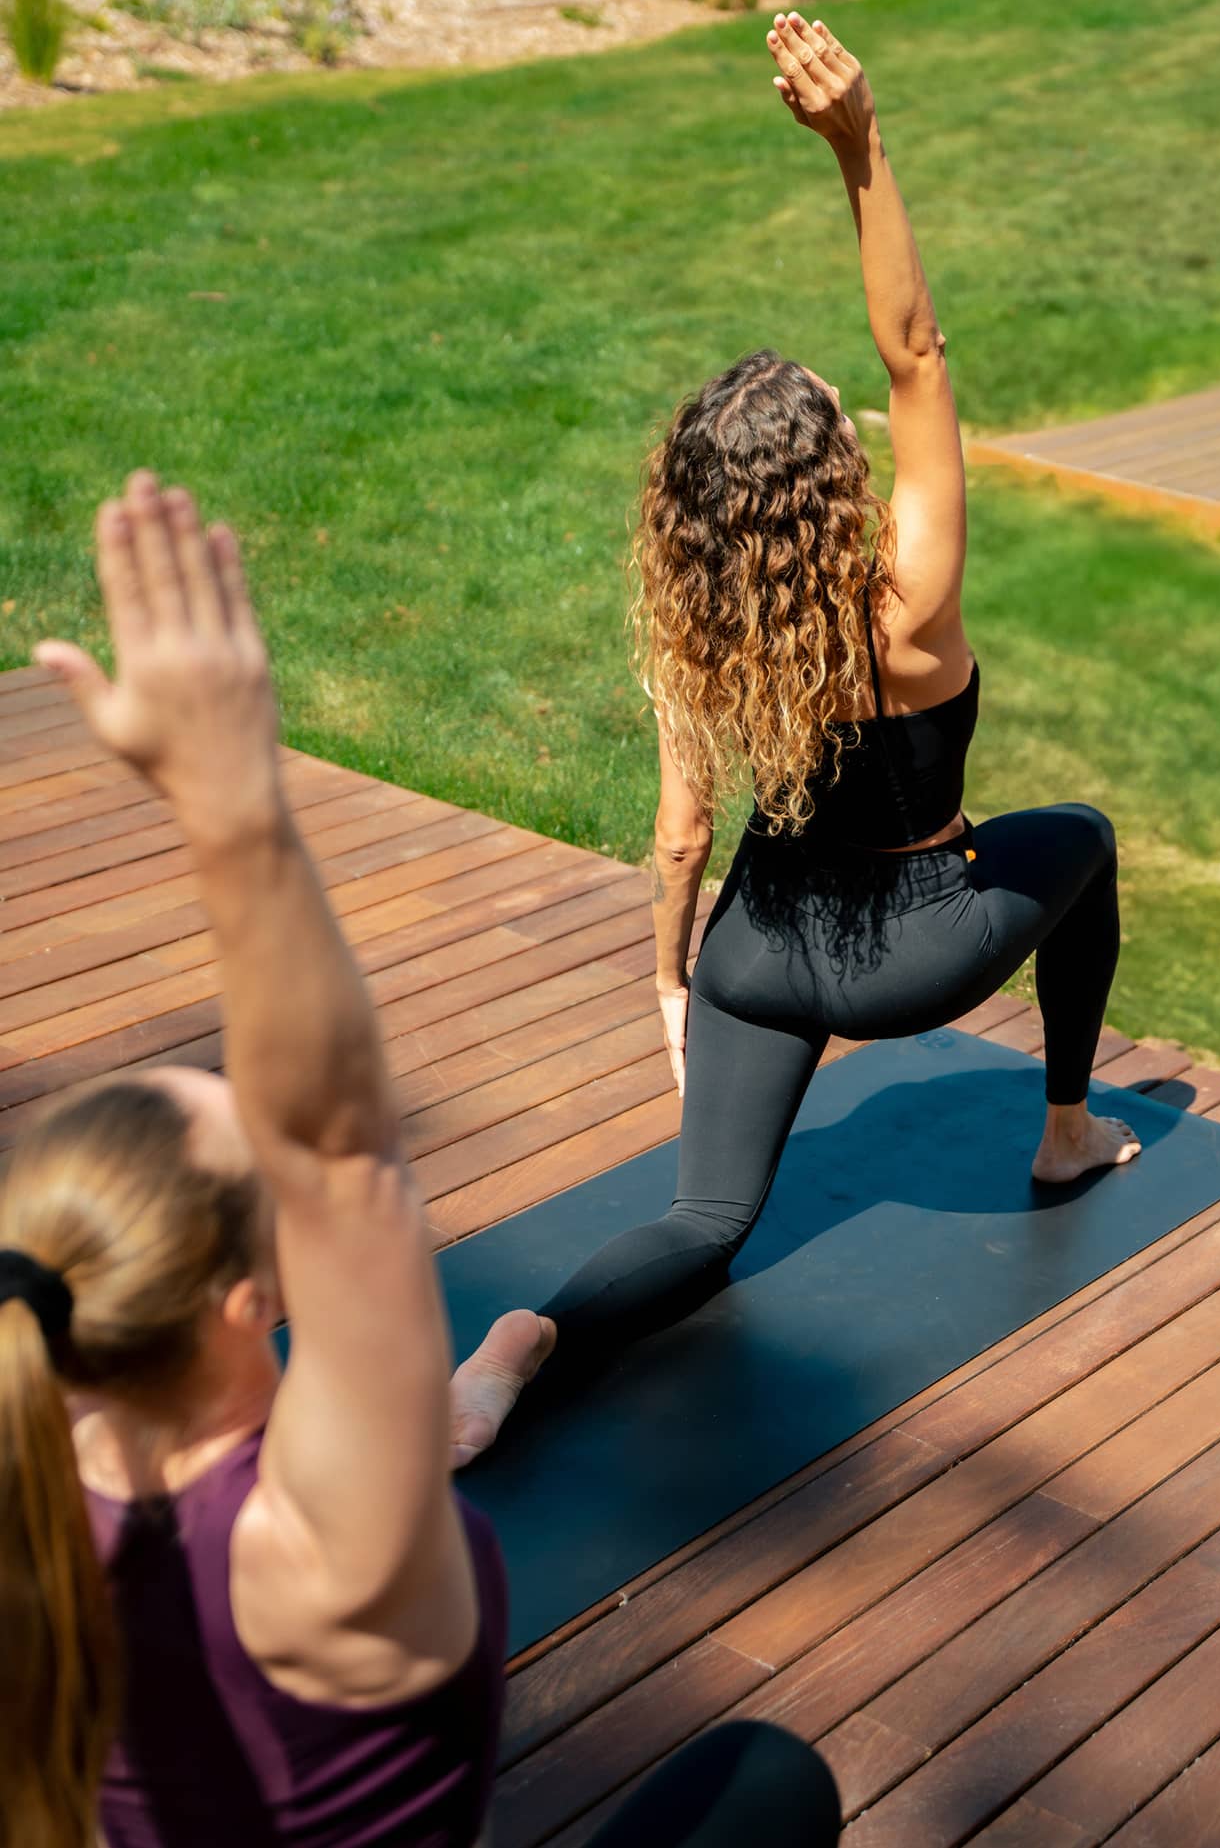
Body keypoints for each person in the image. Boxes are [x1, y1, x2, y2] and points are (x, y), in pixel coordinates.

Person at [0, 474, 841, 1846]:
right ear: (240, 1303)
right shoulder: (325, 1549)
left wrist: (487, 1373)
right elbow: (340, 1149)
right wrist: (233, 808)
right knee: (766, 1782)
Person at [447, 13, 1140, 1466]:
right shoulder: (908, 607)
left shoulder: (708, 631)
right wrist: (859, 143)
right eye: (837, 415)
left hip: (753, 959)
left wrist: (665, 985)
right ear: (836, 484)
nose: (849, 396)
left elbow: (682, 834)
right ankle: (1063, 1125)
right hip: (915, 952)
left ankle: (525, 1341)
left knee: (705, 1221)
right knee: (1081, 840)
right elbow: (918, 350)